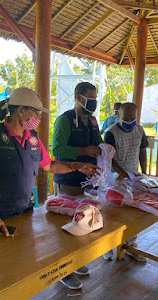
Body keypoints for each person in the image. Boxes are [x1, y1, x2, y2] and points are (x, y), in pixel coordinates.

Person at [0, 87, 99, 235]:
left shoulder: (32, 138)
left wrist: (75, 166)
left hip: (22, 213)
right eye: (36, 112)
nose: (39, 117)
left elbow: (49, 165)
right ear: (21, 110)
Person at [52, 82, 128, 289]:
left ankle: (75, 262)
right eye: (90, 98)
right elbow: (57, 148)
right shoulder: (65, 120)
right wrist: (85, 150)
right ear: (78, 97)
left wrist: (104, 148)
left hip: (90, 180)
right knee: (67, 227)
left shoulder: (92, 121)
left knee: (83, 223)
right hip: (69, 180)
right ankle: (64, 271)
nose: (94, 101)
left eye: (95, 97)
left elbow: (98, 141)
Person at [102, 102, 149, 262]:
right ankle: (107, 247)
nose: (129, 121)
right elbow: (109, 158)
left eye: (132, 118)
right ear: (119, 116)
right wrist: (122, 173)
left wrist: (144, 171)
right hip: (115, 179)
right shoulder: (111, 133)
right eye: (125, 118)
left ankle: (131, 246)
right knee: (112, 214)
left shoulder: (140, 129)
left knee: (131, 214)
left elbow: (142, 152)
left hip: (133, 176)